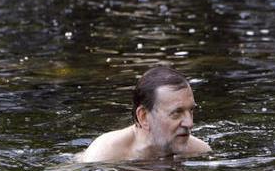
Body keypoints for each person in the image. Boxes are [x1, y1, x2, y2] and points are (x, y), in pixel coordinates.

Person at [81, 66, 211, 162]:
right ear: (143, 117)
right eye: (177, 113)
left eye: (191, 110)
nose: (190, 123)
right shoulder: (104, 155)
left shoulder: (200, 151)